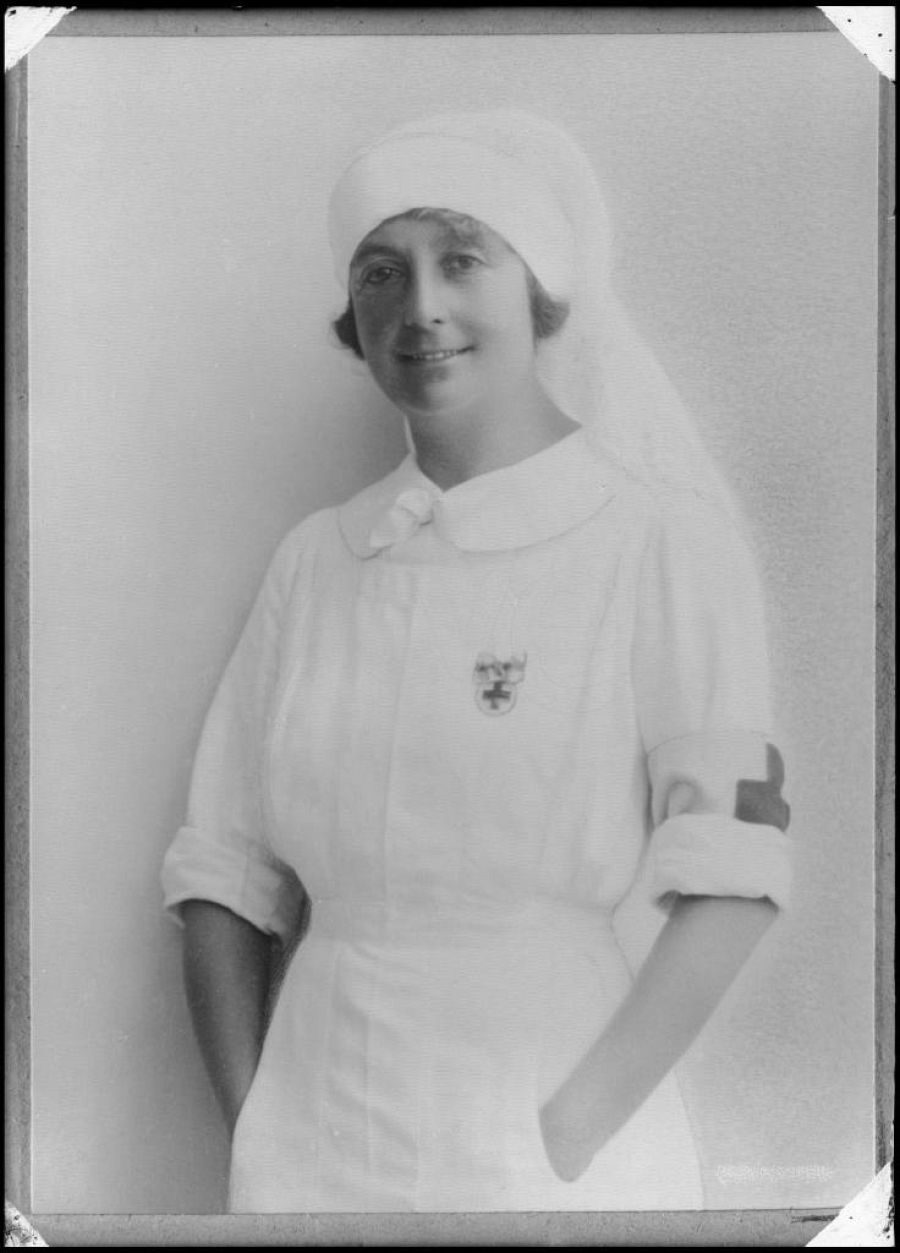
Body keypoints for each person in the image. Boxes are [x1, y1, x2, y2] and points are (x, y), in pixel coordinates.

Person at [161, 110, 793, 1213]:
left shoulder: (653, 539)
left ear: (540, 289)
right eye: (380, 273)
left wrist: (573, 1127)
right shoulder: (316, 561)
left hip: (552, 1138)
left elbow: (734, 873)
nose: (422, 308)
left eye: (462, 260)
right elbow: (223, 870)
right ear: (353, 316)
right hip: (317, 1137)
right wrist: (255, 1120)